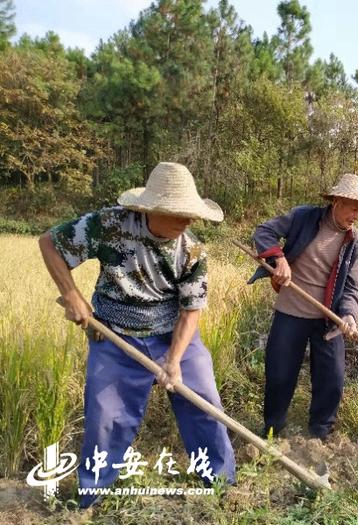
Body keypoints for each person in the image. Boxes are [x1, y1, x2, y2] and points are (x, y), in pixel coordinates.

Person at [38, 162, 235, 507]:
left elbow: (191, 312)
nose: (188, 222)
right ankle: (91, 498)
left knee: (204, 402)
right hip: (114, 336)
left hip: (172, 335)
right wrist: (71, 294)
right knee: (105, 417)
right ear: (152, 208)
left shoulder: (193, 251)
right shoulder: (109, 225)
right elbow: (50, 242)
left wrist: (173, 361)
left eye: (192, 215)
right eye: (179, 214)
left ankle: (221, 485)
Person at [249, 173, 358, 441]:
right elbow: (263, 232)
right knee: (279, 373)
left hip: (327, 318)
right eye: (353, 208)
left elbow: (353, 287)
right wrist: (279, 260)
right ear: (337, 202)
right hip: (291, 312)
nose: (357, 215)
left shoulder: (356, 244)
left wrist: (350, 315)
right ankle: (273, 429)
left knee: (332, 378)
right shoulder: (304, 218)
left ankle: (320, 433)